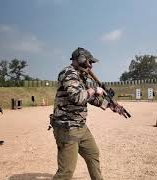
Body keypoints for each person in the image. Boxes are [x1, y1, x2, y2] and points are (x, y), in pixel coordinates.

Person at [50, 47, 124, 180]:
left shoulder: (82, 76)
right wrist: (94, 89)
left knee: (93, 154)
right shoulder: (68, 73)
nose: (91, 66)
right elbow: (78, 97)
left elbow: (91, 99)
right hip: (67, 128)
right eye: (90, 62)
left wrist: (110, 106)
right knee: (66, 172)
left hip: (80, 126)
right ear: (81, 59)